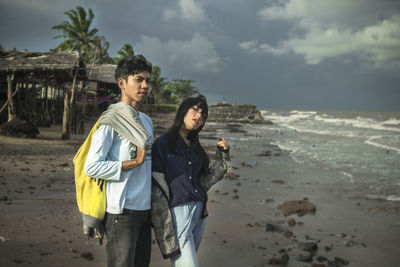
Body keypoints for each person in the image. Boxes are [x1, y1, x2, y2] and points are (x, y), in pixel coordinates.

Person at [84, 55, 153, 267]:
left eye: (148, 81)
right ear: (122, 83)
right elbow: (92, 166)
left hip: (145, 209)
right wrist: (132, 163)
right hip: (121, 212)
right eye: (138, 80)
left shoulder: (147, 121)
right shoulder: (110, 122)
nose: (145, 85)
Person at [151, 95, 230, 267]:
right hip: (178, 213)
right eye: (195, 110)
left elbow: (204, 181)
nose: (199, 116)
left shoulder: (196, 147)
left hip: (199, 213)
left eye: (203, 115)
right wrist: (160, 222)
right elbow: (156, 185)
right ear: (182, 111)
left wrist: (222, 155)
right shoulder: (163, 144)